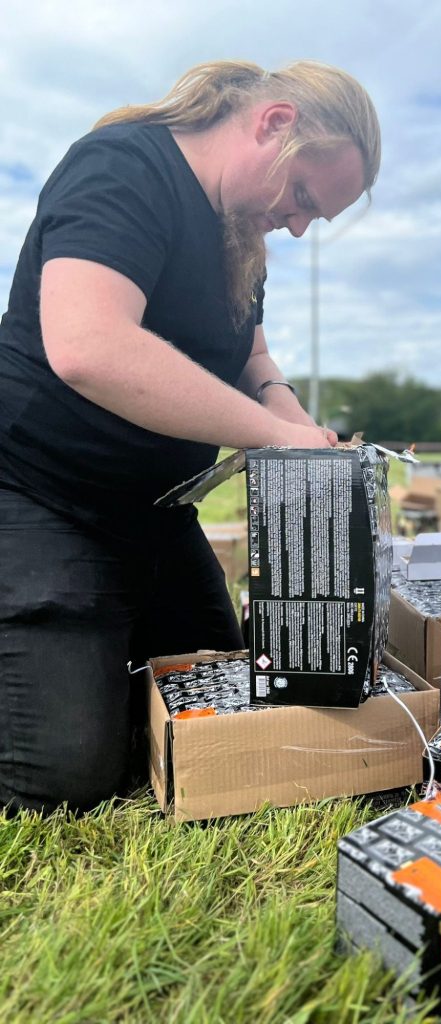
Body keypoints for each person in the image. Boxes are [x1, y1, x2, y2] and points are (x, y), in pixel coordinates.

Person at [0, 59, 381, 813]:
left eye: (315, 217)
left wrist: (303, 428)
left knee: (230, 701)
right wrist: (273, 437)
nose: (299, 225)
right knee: (64, 777)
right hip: (40, 495)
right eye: (303, 195)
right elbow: (89, 347)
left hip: (156, 513)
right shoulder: (122, 167)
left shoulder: (241, 231)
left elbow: (253, 356)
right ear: (274, 124)